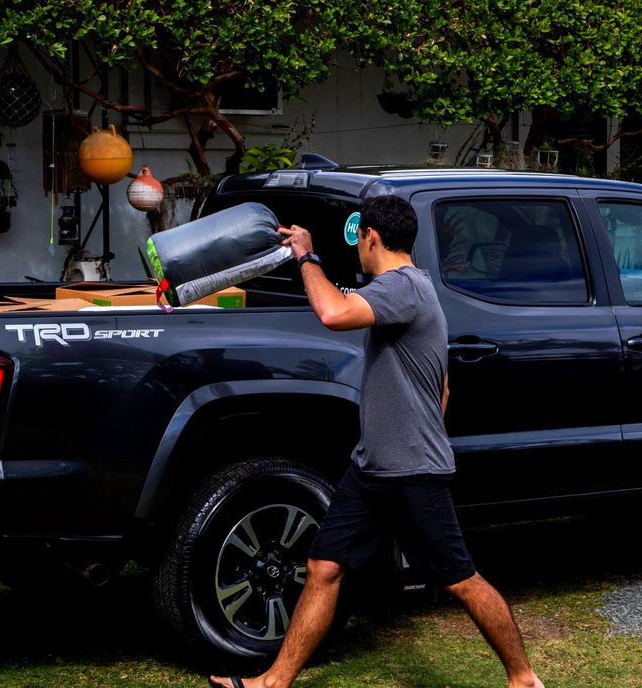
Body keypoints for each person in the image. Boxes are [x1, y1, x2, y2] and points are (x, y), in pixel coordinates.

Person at [209, 194, 543, 688]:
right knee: (323, 568)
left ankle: (523, 677)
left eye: (359, 238)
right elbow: (442, 387)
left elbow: (332, 312)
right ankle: (273, 682)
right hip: (371, 470)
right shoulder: (411, 289)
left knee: (460, 580)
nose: (358, 251)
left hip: (412, 473)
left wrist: (306, 254)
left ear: (371, 236)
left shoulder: (403, 286)